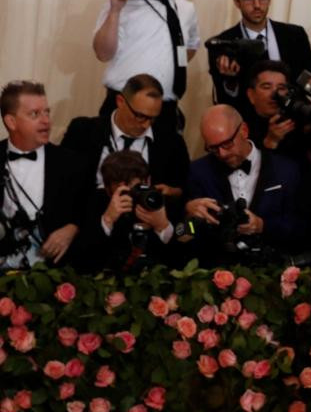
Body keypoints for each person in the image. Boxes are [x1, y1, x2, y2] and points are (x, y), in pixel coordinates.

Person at [92, 0, 199, 135]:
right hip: (123, 105)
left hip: (166, 108)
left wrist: (170, 65)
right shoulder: (121, 3)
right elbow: (102, 54)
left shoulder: (186, 9)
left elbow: (191, 47)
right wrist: (115, 9)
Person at [206, 0, 311, 121]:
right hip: (249, 129)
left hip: (294, 125)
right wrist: (230, 80)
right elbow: (224, 102)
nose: (257, 5)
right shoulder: (223, 44)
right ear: (237, 2)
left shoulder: (294, 35)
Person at [185, 105, 309, 260]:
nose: (222, 154)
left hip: (275, 268)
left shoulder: (286, 169)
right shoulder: (198, 172)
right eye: (213, 148)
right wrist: (189, 211)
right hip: (218, 271)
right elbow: (187, 235)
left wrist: (262, 225)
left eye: (227, 143)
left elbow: (303, 228)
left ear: (244, 130)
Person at [62, 74, 189, 203]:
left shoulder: (171, 142)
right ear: (120, 102)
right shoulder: (83, 131)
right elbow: (62, 181)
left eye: (153, 118)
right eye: (140, 116)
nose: (146, 125)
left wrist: (174, 193)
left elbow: (185, 189)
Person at [0, 82, 85, 268]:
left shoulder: (71, 162)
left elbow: (89, 210)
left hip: (54, 274)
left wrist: (72, 229)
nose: (46, 120)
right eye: (35, 114)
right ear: (11, 122)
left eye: (47, 112)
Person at [76, 150, 175, 273]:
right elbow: (82, 260)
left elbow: (182, 256)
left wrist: (163, 227)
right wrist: (107, 220)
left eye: (135, 186)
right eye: (122, 188)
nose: (130, 194)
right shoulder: (95, 203)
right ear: (107, 189)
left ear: (148, 181)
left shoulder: (159, 201)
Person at [240, 60, 311, 165]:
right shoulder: (242, 130)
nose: (275, 94)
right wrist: (270, 142)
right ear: (251, 95)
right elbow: (248, 176)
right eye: (266, 87)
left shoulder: (294, 119)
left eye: (281, 88)